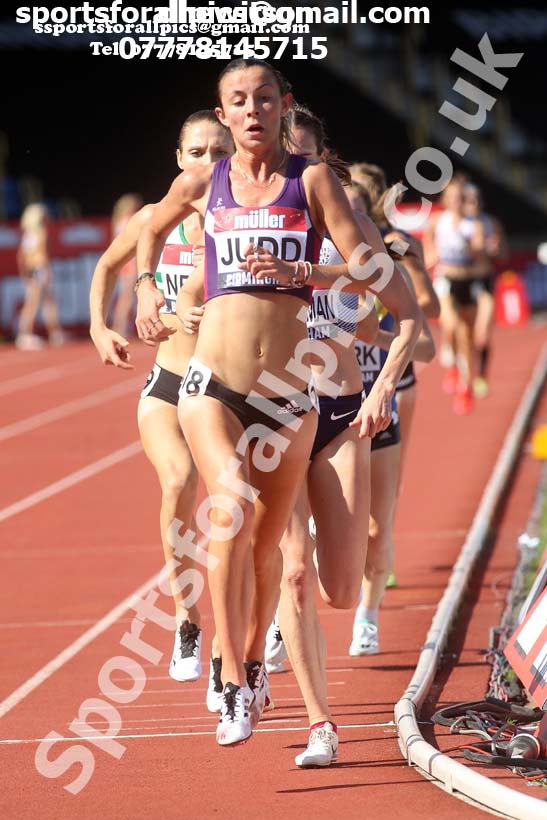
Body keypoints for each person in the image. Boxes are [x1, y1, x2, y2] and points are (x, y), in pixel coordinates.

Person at [135, 58, 421, 749]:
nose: (252, 110)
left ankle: (256, 661)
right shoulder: (204, 181)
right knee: (226, 504)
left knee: (271, 550)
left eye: (265, 98)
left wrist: (306, 271)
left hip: (292, 393)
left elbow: (379, 278)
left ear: (282, 106)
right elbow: (148, 226)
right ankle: (228, 674)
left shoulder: (312, 182)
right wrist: (146, 286)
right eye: (238, 100)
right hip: (215, 385)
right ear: (223, 112)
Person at [90, 110, 234, 685]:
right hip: (170, 384)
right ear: (179, 159)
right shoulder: (155, 220)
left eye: (218, 152)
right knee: (178, 482)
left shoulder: (243, 221)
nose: (207, 162)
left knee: (239, 512)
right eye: (196, 151)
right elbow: (106, 265)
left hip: (228, 389)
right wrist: (102, 327)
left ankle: (245, 627)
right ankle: (185, 619)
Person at [349, 162, 439, 587]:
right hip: (342, 391)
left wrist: (414, 267)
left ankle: (382, 549)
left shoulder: (395, 248)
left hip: (395, 381)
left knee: (387, 483)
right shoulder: (332, 253)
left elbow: (428, 315)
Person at [423, 176, 486, 415]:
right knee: (453, 324)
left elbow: (480, 253)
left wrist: (470, 244)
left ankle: (466, 386)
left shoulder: (473, 224)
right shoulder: (437, 222)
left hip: (468, 281)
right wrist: (434, 257)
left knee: (468, 336)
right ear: (446, 200)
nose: (457, 203)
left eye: (461, 199)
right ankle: (450, 360)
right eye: (452, 199)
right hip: (446, 280)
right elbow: (428, 253)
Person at [462, 182, 507, 398]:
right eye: (469, 201)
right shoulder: (457, 224)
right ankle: (468, 376)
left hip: (484, 280)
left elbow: (504, 253)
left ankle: (481, 374)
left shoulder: (491, 222)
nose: (473, 205)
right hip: (463, 283)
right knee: (467, 336)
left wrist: (495, 250)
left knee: (482, 335)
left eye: (476, 200)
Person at [15, 202, 64, 350]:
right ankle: (25, 334)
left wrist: (24, 273)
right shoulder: (40, 232)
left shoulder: (27, 234)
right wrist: (46, 270)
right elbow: (42, 254)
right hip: (39, 270)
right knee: (34, 304)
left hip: (33, 270)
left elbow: (21, 256)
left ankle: (55, 333)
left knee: (47, 302)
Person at [109, 193, 144, 337]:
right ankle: (120, 326)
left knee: (126, 295)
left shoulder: (117, 221)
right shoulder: (129, 221)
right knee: (127, 296)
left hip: (124, 260)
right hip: (130, 261)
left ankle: (121, 325)